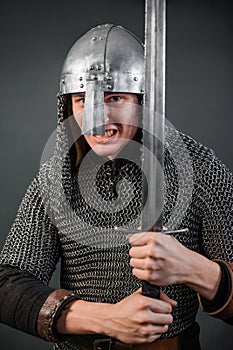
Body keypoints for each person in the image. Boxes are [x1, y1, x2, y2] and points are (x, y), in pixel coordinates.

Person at [0, 24, 232, 350]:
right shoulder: (57, 177)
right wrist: (105, 318)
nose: (98, 119)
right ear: (68, 107)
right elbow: (7, 285)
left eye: (116, 97)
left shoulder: (199, 168)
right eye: (83, 100)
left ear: (143, 101)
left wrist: (197, 270)